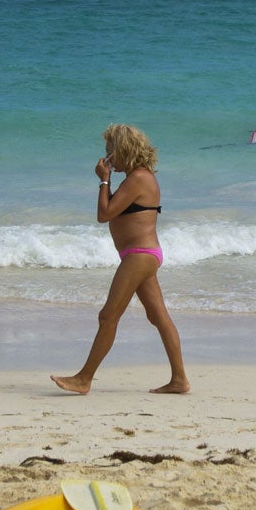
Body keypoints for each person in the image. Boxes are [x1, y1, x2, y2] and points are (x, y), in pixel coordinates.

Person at [52, 124, 188, 396]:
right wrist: (108, 181)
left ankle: (84, 378)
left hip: (140, 255)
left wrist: (104, 181)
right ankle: (179, 380)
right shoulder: (136, 177)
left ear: (124, 150)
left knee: (108, 316)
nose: (108, 158)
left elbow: (104, 214)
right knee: (158, 316)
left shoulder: (139, 178)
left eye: (111, 151)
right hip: (140, 255)